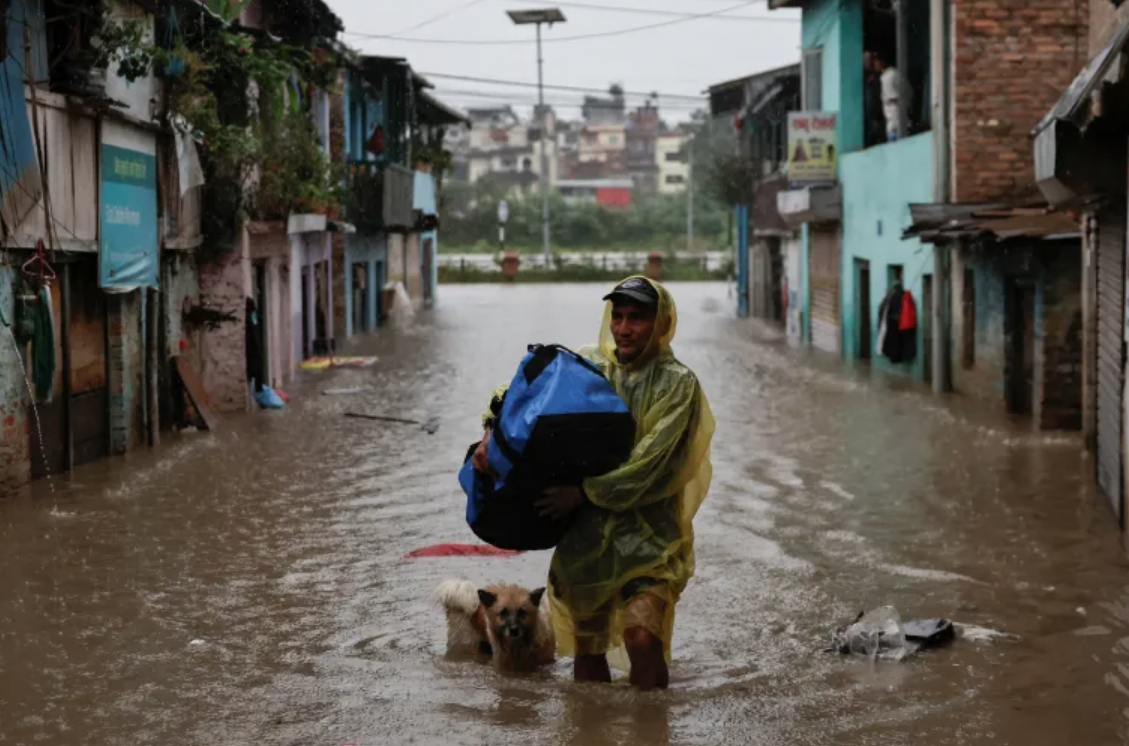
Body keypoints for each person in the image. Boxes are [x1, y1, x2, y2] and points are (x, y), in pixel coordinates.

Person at [471, 276, 715, 690]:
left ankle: (651, 722)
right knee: (588, 652)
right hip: (584, 540)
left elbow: (650, 466)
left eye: (637, 318)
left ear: (662, 323)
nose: (624, 328)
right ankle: (593, 721)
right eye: (618, 317)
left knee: (642, 638)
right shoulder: (588, 364)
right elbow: (517, 394)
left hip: (649, 540)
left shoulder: (678, 384)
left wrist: (583, 492)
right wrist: (491, 431)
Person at [873, 50, 907, 142]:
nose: (875, 64)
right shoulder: (891, 73)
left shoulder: (889, 76)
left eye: (877, 61)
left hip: (895, 117)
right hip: (893, 117)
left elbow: (895, 97)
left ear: (882, 62)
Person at [864, 51, 885, 148]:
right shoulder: (868, 77)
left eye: (874, 60)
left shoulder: (881, 76)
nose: (873, 63)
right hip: (870, 115)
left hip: (879, 114)